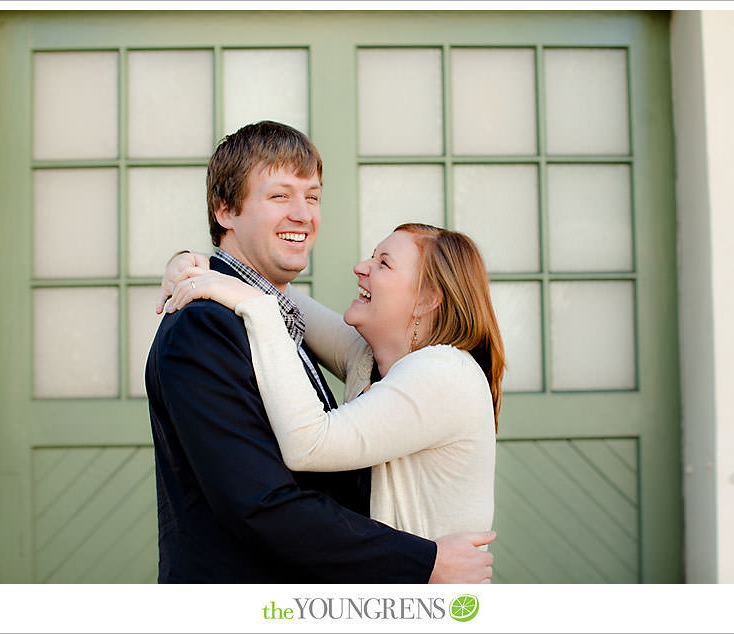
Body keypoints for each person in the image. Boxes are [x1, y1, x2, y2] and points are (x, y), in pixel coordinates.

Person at [145, 120, 494, 583]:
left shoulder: (274, 318)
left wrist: (214, 271)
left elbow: (272, 304)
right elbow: (260, 505)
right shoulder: (206, 328)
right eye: (280, 196)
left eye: (312, 196)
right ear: (225, 209)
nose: (303, 213)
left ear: (428, 299)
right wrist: (196, 264)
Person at [160, 221, 505, 545]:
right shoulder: (369, 358)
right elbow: (280, 298)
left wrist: (258, 309)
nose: (361, 266)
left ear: (427, 299)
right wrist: (192, 265)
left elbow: (308, 444)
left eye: (383, 263)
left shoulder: (444, 374)